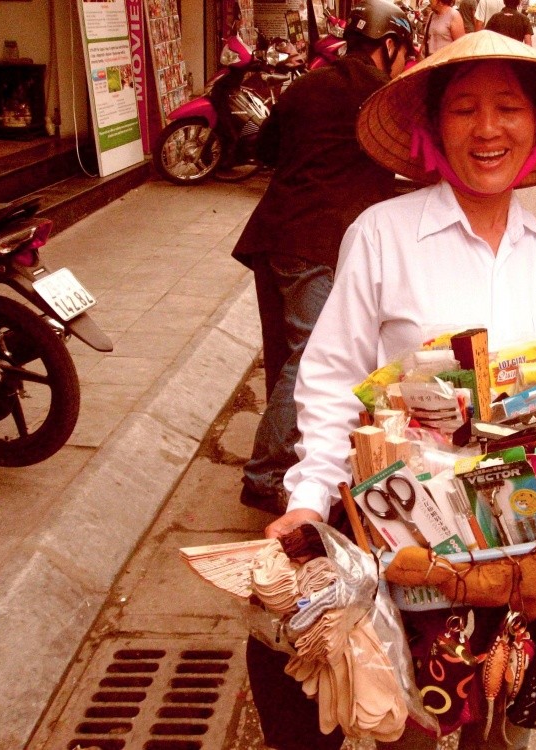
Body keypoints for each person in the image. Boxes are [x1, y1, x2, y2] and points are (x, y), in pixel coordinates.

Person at [252, 29, 536, 750]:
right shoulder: (381, 235)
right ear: (433, 126)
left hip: (534, 563)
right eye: (463, 109)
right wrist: (307, 503)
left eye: (507, 108)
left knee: (504, 732)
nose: (487, 129)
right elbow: (332, 380)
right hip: (418, 556)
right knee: (413, 727)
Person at [230, 0, 413, 516]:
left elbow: (263, 149)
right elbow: (415, 161)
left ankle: (285, 461)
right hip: (319, 244)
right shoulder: (385, 101)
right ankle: (265, 475)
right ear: (391, 45)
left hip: (273, 236)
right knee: (309, 357)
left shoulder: (306, 84)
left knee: (287, 356)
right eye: (404, 52)